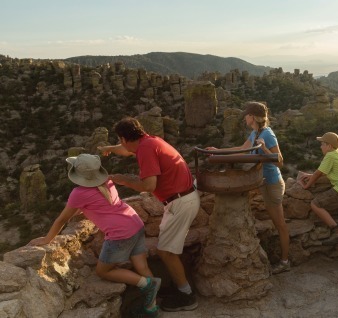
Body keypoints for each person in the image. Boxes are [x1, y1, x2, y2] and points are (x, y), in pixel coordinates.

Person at [28, 154, 161, 318]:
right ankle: (151, 308)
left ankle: (146, 284)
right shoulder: (107, 181)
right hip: (135, 223)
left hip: (120, 234)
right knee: (142, 267)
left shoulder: (79, 193)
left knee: (103, 272)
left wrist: (47, 239)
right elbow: (97, 204)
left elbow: (62, 219)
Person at [98, 117, 200, 312]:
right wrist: (109, 148)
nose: (121, 145)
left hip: (180, 202)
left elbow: (148, 186)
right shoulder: (149, 141)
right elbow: (126, 150)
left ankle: (186, 295)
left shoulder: (145, 149)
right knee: (166, 250)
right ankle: (180, 288)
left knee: (166, 252)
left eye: (120, 140)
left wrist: (122, 179)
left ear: (124, 138)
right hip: (183, 197)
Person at [205, 101, 290, 274]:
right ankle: (282, 257)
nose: (244, 117)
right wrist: (218, 151)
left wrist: (265, 148)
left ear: (253, 117)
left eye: (247, 114)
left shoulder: (267, 134)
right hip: (265, 182)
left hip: (272, 183)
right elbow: (242, 149)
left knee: (280, 224)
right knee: (276, 222)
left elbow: (280, 161)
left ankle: (285, 261)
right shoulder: (255, 132)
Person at [300, 132, 338, 233]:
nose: (320, 147)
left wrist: (306, 186)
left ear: (329, 146)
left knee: (315, 204)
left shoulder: (330, 156)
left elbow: (318, 174)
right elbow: (325, 171)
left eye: (322, 144)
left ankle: (336, 230)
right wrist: (311, 175)